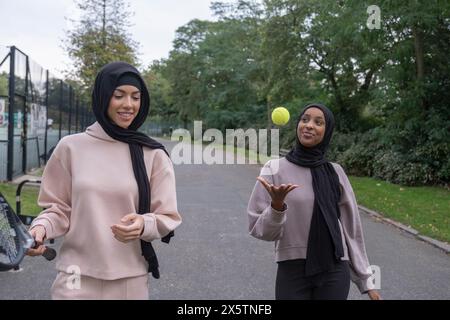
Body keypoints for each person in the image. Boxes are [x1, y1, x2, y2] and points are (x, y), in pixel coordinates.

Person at [26, 61, 182, 300]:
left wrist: (143, 224)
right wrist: (40, 229)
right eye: (119, 95)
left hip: (129, 279)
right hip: (75, 275)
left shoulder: (153, 154)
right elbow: (58, 209)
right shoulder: (70, 147)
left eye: (136, 97)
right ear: (103, 96)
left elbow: (167, 216)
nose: (129, 105)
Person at [247, 103, 381, 300]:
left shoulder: (336, 172)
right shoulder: (274, 168)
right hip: (292, 268)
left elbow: (352, 232)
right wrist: (276, 208)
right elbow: (260, 230)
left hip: (334, 268)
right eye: (305, 119)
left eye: (318, 122)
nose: (309, 125)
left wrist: (367, 282)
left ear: (327, 132)